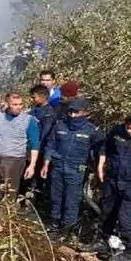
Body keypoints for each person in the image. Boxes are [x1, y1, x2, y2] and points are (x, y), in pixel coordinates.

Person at [81, 110, 131, 261]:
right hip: (113, 180)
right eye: (128, 127)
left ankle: (129, 253)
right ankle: (102, 242)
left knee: (126, 220)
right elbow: (105, 146)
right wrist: (101, 163)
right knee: (106, 212)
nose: (129, 131)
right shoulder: (118, 131)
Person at [0, 93, 41, 232]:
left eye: (20, 105)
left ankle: (0, 219)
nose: (18, 107)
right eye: (14, 105)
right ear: (7, 104)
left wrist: (32, 165)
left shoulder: (29, 121)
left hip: (16, 160)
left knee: (10, 190)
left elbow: (35, 144)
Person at [40, 98, 103, 242]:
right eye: (70, 111)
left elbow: (100, 151)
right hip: (57, 166)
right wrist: (46, 164)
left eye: (76, 112)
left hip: (77, 170)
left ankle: (66, 229)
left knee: (71, 200)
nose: (73, 116)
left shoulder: (91, 131)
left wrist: (97, 171)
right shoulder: (60, 126)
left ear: (85, 113)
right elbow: (50, 146)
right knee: (56, 197)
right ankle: (54, 224)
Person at [25, 84, 57, 204]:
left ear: (43, 97)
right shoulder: (34, 109)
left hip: (40, 148)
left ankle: (35, 201)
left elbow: (45, 134)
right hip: (30, 146)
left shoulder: (49, 114)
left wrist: (37, 148)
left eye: (35, 97)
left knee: (37, 177)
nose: (33, 99)